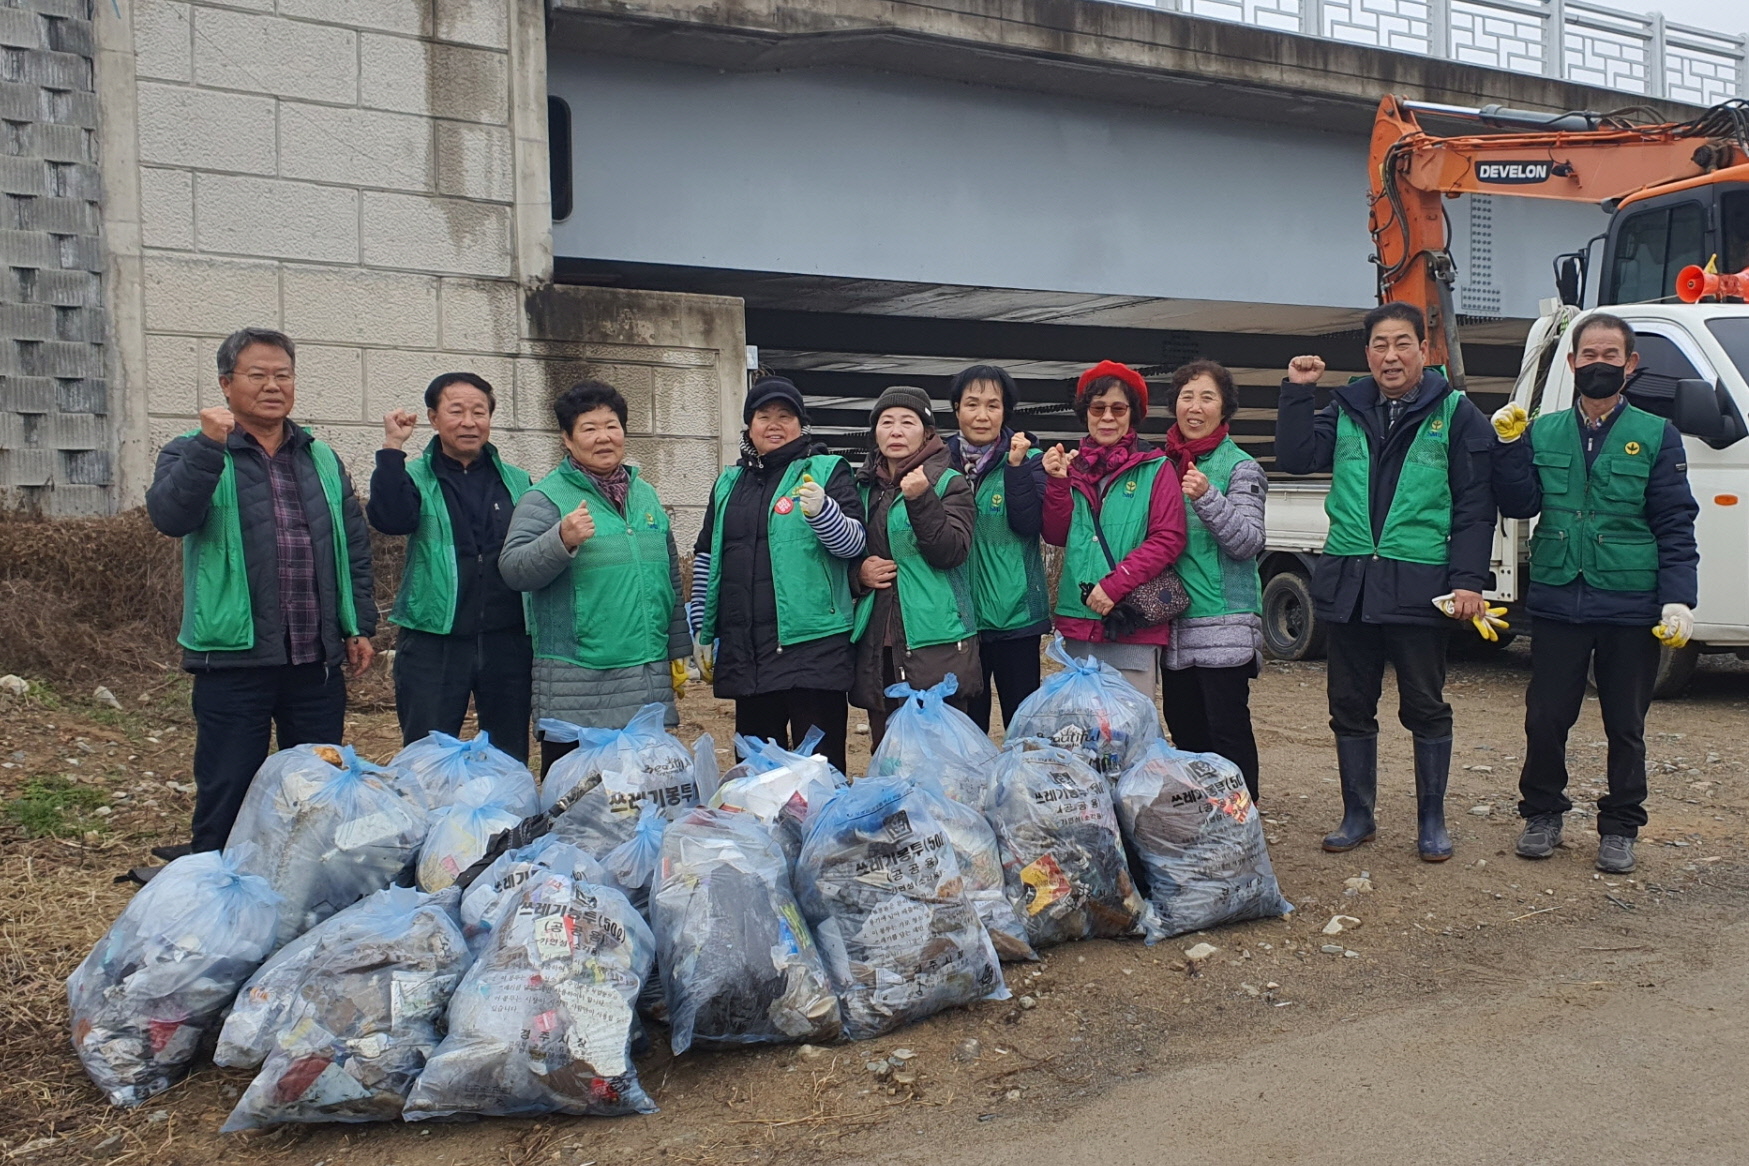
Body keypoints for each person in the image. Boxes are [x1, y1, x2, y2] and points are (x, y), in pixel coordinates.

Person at [1275, 302, 1495, 863]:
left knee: (1425, 703)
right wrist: (1300, 391)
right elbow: (1297, 458)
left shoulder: (1455, 413)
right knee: (1349, 703)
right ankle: (1358, 815)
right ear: (1367, 352)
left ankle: (1431, 821)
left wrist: (1469, 579)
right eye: (1379, 345)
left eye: (1402, 343)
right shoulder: (1345, 407)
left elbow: (1474, 505)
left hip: (1418, 583)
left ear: (1424, 350)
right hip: (1349, 584)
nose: (1390, 355)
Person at [145, 327, 375, 855]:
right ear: (227, 384)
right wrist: (209, 446)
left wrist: (358, 625)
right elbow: (170, 517)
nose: (273, 386)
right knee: (227, 785)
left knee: (316, 785)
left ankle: (305, 884)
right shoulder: (190, 450)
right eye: (257, 375)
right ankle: (217, 892)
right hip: (232, 655)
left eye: (283, 375)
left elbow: (353, 545)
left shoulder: (319, 456)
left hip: (313, 656)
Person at [1491, 312, 1699, 874]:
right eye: (1590, 355)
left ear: (1629, 365)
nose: (1599, 365)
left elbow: (1676, 522)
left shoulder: (1657, 435)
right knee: (1545, 717)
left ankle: (1621, 825)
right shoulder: (1544, 430)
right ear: (1571, 362)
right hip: (1560, 599)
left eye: (1611, 356)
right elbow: (1518, 505)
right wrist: (1509, 446)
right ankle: (1542, 813)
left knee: (1625, 724)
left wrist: (1678, 597)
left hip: (1630, 602)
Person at [499, 380, 690, 776]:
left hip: (645, 673)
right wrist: (560, 540)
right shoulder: (546, 498)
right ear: (567, 440)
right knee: (578, 804)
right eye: (589, 428)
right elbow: (514, 569)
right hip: (579, 678)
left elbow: (668, 577)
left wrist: (678, 648)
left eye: (612, 425)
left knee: (643, 795)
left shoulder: (645, 494)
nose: (603, 437)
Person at [688, 376, 866, 774]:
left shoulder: (826, 470)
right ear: (749, 425)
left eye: (785, 416)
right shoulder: (728, 483)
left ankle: (823, 837)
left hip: (813, 649)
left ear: (801, 425)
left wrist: (824, 513)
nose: (774, 424)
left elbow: (854, 545)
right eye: (763, 415)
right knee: (756, 777)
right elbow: (706, 554)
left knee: (819, 772)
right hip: (747, 648)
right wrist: (701, 625)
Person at [367, 372, 534, 762]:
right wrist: (392, 448)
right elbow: (391, 519)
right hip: (433, 637)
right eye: (456, 411)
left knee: (506, 755)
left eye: (479, 412)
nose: (469, 422)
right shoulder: (414, 476)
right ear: (433, 417)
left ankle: (505, 822)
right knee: (428, 757)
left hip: (506, 639)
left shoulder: (517, 481)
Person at [1041, 360, 1188, 698]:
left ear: (1132, 414)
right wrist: (1057, 485)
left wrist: (1114, 585)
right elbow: (1056, 534)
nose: (1107, 417)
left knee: (1128, 733)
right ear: (1086, 412)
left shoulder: (1156, 468)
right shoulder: (1070, 468)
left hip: (1131, 622)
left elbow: (1169, 537)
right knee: (1080, 733)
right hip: (1079, 621)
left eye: (1118, 408)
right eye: (1098, 407)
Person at [1159, 360, 1266, 802]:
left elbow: (1248, 541)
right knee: (1184, 730)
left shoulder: (1240, 467)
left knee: (1228, 730)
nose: (1195, 406)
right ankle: (1203, 823)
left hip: (1224, 622)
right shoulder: (1160, 463)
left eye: (1207, 397)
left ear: (1225, 409)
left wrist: (1207, 496)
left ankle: (1243, 820)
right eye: (1187, 396)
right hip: (1173, 624)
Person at [850, 385, 981, 745]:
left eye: (907, 422)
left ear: (926, 431)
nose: (895, 431)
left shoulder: (949, 483)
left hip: (935, 636)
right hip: (880, 638)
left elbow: (951, 552)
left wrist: (921, 498)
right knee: (888, 750)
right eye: (886, 422)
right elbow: (842, 553)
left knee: (942, 755)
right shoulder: (862, 487)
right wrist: (858, 574)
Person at [946, 364, 1050, 732]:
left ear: (1006, 411)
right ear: (956, 408)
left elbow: (1029, 523)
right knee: (966, 728)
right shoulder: (937, 464)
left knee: (1023, 726)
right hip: (958, 619)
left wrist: (1017, 467)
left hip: (1016, 616)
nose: (982, 415)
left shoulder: (1031, 461)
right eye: (972, 404)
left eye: (993, 405)